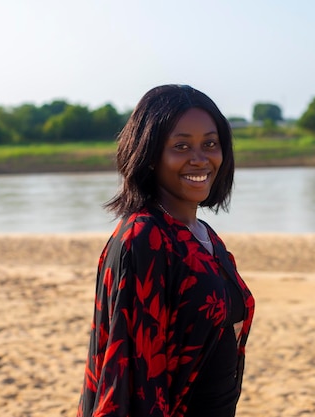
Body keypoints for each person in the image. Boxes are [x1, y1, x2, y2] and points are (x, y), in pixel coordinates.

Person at [76, 84, 255, 417]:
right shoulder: (144, 239)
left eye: (210, 144)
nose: (199, 158)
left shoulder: (205, 238)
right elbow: (130, 372)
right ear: (150, 153)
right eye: (181, 145)